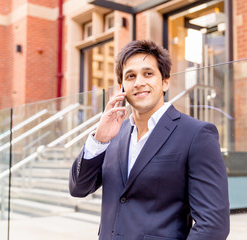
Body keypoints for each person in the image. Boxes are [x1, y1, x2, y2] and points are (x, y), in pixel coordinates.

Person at [69, 40, 230, 240]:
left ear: (165, 82)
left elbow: (213, 225)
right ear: (122, 87)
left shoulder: (197, 134)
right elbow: (78, 188)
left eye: (148, 73)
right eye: (130, 76)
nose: (138, 82)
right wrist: (99, 139)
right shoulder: (113, 133)